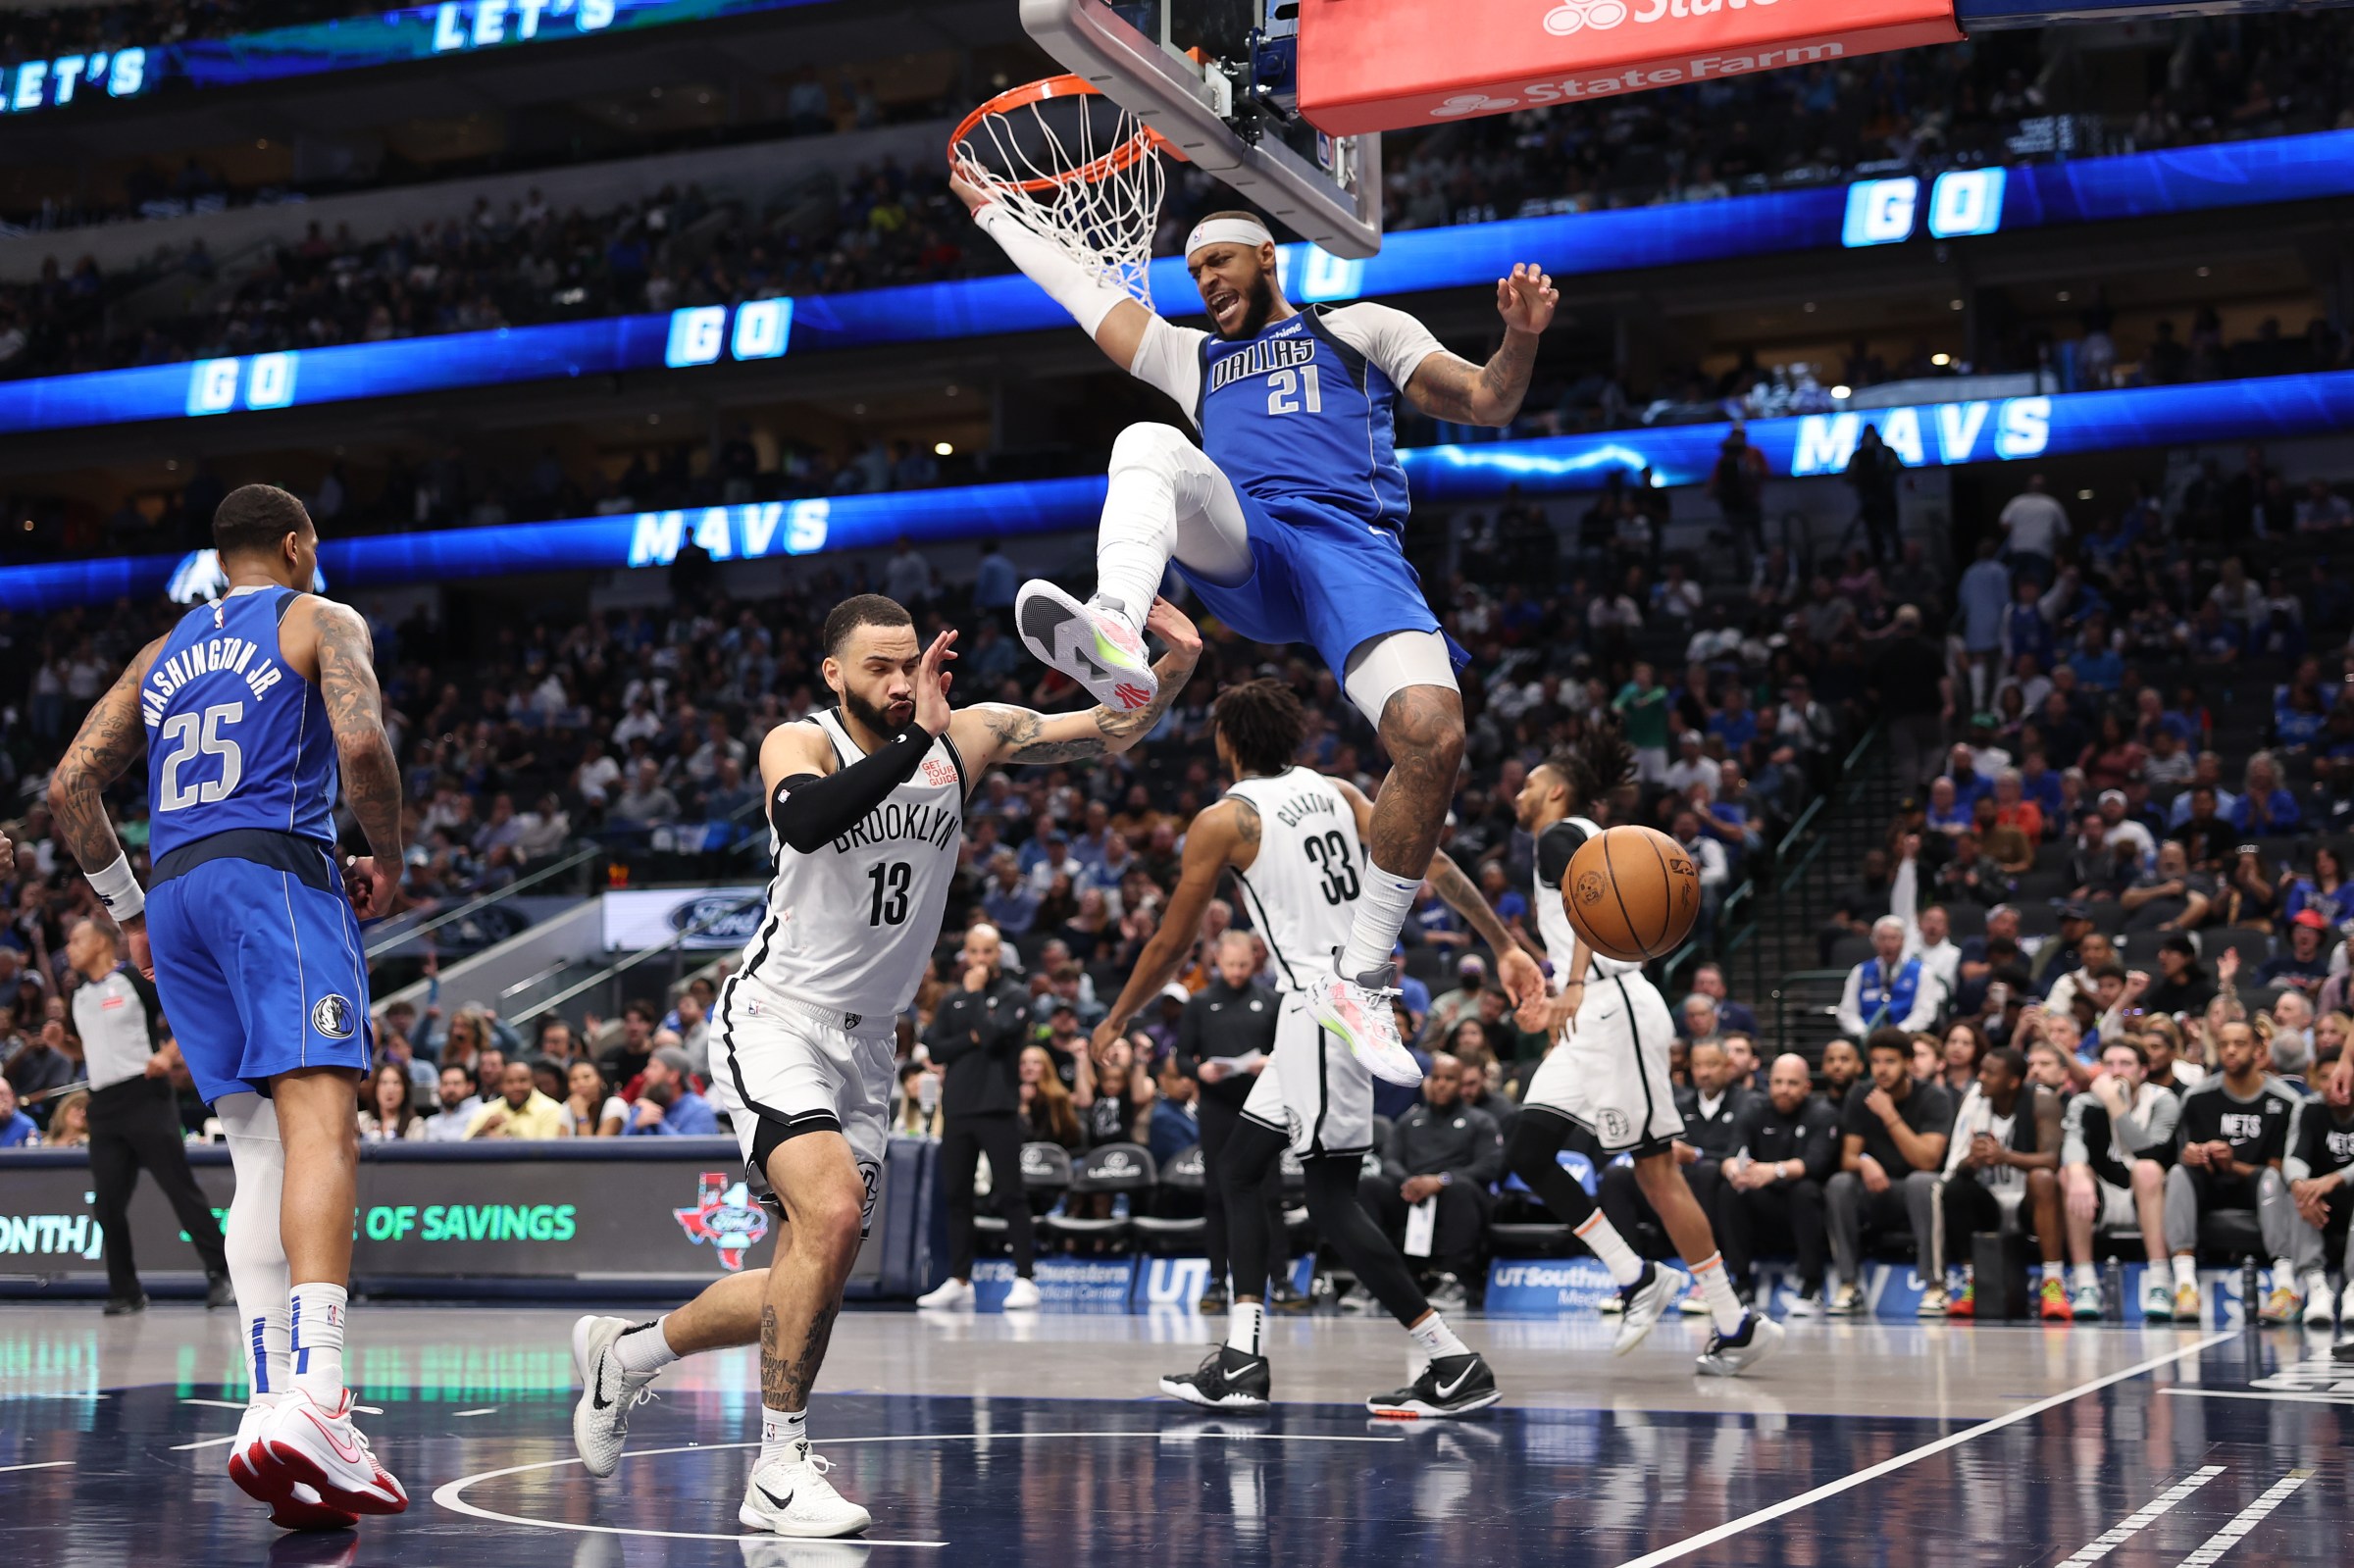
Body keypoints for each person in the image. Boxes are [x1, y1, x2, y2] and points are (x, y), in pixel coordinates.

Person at [563, 591, 1199, 1539]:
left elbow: (1108, 730)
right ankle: (776, 1467)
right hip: (778, 1015)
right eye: (880, 669)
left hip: (871, 1041)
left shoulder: (971, 733)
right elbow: (807, 819)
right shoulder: (802, 740)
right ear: (835, 674)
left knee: (809, 1270)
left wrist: (1171, 667)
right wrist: (916, 746)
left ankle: (629, 1352)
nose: (901, 684)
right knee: (830, 1213)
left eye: (913, 665)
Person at [956, 173, 1558, 1080]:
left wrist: (1519, 336)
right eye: (1194, 270)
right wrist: (998, 214)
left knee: (1433, 737)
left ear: (1267, 254)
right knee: (1146, 442)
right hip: (1249, 543)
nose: (1207, 282)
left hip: (1352, 550)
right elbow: (1084, 294)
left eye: (1220, 262)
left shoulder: (1359, 327)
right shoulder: (1191, 357)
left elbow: (1485, 401)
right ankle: (1115, 626)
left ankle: (1361, 977)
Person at [44, 483, 406, 1529]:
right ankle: (324, 1400)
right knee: (323, 1124)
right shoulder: (319, 617)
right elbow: (364, 748)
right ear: (296, 547)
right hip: (271, 881)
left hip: (178, 891)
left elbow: (72, 786)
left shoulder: (160, 655)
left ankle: (269, 1407)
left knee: (256, 1152)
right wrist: (386, 855)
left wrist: (130, 915)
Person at [1086, 678, 1538, 1418]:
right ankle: (1242, 1356)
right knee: (1238, 1167)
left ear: (1226, 742)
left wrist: (1119, 1016)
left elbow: (1172, 939)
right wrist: (1503, 942)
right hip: (1329, 1006)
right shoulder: (1337, 791)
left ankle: (1450, 1358)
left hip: (1325, 1007)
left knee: (1329, 1199)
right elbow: (1431, 863)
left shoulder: (1226, 819)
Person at [1504, 733, 1783, 1374]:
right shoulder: (1575, 837)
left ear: (1555, 790)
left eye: (1527, 784)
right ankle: (1637, 1276)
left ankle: (1733, 1322)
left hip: (1614, 1005)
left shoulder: (1559, 836)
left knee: (1656, 1173)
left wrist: (1571, 986)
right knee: (1527, 1151)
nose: (1518, 794)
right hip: (1595, 1009)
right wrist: (1557, 995)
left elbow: (1585, 904)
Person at [67, 917, 232, 1314]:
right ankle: (126, 1290)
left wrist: (168, 1055)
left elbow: (189, 1012)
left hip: (145, 1096)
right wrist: (64, 1048)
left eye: (76, 939)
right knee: (106, 1204)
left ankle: (222, 1274)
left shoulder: (134, 982)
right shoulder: (77, 997)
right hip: (103, 1105)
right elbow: (87, 1052)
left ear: (103, 943)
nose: (69, 947)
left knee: (179, 1187)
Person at [915, 924, 1043, 1313]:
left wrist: (972, 1001)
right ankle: (959, 1279)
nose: (981, 959)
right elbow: (934, 1047)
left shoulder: (1015, 996)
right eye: (974, 952)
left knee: (1010, 1194)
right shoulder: (952, 999)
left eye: (988, 952)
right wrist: (967, 1035)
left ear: (999, 954)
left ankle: (1025, 1278)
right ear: (965, 954)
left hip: (998, 1108)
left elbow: (990, 1038)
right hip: (958, 1108)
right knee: (956, 1195)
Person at [1168, 932, 1295, 1313]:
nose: (1237, 972)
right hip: (1218, 1108)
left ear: (1254, 962)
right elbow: (1182, 1057)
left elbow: (1286, 1051)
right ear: (1217, 962)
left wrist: (1267, 1062)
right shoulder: (1201, 1002)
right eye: (1230, 965)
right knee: (1217, 1195)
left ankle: (1281, 1280)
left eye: (1244, 965)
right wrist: (1200, 1070)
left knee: (1269, 1194)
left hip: (1263, 1109)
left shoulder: (1270, 1001)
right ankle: (1218, 1281)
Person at [2162, 1021, 2306, 1323]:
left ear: (2259, 1049)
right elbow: (2184, 1149)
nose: (2230, 1050)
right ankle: (2185, 1285)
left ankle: (2285, 1285)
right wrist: (2192, 1155)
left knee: (2270, 1180)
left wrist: (2233, 1165)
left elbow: (2280, 1170)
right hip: (2210, 1187)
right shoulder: (2197, 1098)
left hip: (2259, 1189)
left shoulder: (2285, 1101)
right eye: (2224, 1043)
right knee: (2177, 1174)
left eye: (2239, 1044)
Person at [1911, 1047, 2067, 1319]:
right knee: (1956, 1188)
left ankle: (2053, 1284)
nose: (1981, 1077)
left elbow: (2052, 1160)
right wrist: (1972, 1160)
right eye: (1981, 1070)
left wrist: (2005, 1156)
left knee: (2043, 1178)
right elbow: (1952, 1167)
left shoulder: (2042, 1101)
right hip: (1990, 1203)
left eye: (1990, 1073)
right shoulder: (1972, 1102)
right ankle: (1974, 1283)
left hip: (2027, 1202)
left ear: (2013, 1081)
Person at [1825, 1029, 1955, 1315]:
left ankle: (1936, 1285)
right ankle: (1849, 1284)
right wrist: (1865, 1161)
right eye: (1876, 1062)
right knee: (1839, 1184)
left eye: (1890, 1061)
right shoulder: (1861, 1094)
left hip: (1914, 1192)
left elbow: (1927, 1160)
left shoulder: (1934, 1098)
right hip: (1875, 1188)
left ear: (1909, 1063)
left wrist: (1889, 1115)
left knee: (1924, 1182)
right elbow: (1848, 1157)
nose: (1881, 1070)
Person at [2060, 1039, 2179, 1321]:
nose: (2116, 1072)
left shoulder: (2163, 1100)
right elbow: (2072, 1143)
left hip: (2150, 1196)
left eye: (2125, 1064)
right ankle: (2086, 1282)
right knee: (2070, 1172)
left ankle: (2160, 1282)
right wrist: (2077, 1173)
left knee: (2146, 1169)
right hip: (2102, 1194)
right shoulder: (2085, 1102)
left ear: (2143, 1071)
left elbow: (2149, 1150)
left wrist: (2115, 1103)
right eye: (2109, 1065)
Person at [1716, 1053, 1839, 1313]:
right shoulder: (1754, 1109)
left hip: (1803, 1200)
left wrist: (1775, 1170)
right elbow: (1730, 1155)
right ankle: (1741, 1282)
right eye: (1778, 1082)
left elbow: (1815, 1163)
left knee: (1805, 1192)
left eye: (1792, 1083)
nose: (1784, 1090)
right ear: (1769, 1083)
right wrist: (1734, 1172)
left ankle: (1811, 1285)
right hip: (1763, 1196)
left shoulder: (1822, 1113)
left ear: (1807, 1087)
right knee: (1730, 1192)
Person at [2281, 1070, 2354, 1328]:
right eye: (2325, 1078)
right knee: (2298, 1192)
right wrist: (2300, 1185)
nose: (2333, 1085)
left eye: (2342, 1078)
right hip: (2322, 1204)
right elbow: (2295, 1154)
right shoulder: (2310, 1108)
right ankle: (2316, 1287)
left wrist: (2336, 1177)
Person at [1835, 916, 1940, 1037]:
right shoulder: (1860, 971)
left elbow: (1925, 1012)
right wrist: (1863, 1032)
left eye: (1893, 938)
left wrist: (1900, 1032)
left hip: (1906, 1037)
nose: (1888, 944)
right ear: (1874, 941)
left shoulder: (1922, 971)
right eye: (1882, 938)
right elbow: (1847, 1012)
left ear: (1903, 941)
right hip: (1867, 1036)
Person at [467, 1059, 576, 1139]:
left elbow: (546, 1154)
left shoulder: (552, 1110)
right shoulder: (487, 1109)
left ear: (533, 1082)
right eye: (510, 1082)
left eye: (522, 1080)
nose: (516, 1087)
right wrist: (483, 1131)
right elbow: (463, 1148)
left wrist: (506, 1143)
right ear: (501, 1086)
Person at [357, 1060, 424, 1142]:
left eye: (396, 1083)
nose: (390, 1090)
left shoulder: (415, 1125)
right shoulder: (361, 1120)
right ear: (375, 1088)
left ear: (405, 1089)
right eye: (384, 1083)